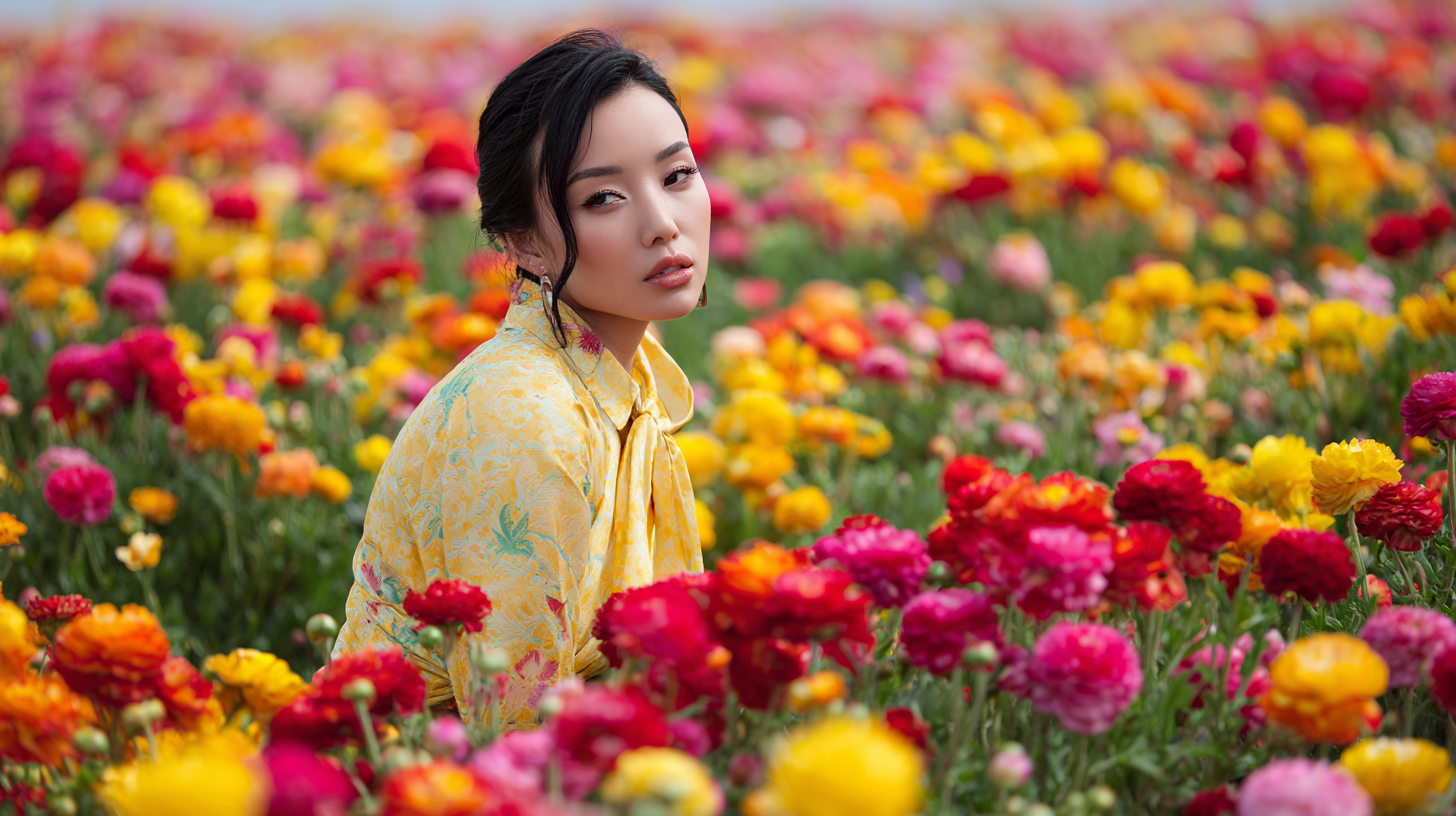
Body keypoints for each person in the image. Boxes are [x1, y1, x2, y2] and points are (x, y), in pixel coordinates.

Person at [333, 29, 711, 727]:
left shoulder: (620, 380)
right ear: (522, 241)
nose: (663, 224)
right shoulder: (527, 417)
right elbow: (509, 731)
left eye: (677, 174)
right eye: (603, 198)